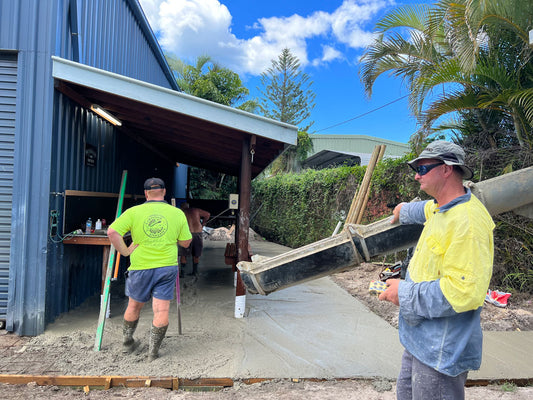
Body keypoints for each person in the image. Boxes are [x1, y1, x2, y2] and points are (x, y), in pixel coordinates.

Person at [379, 141, 494, 400]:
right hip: (422, 341)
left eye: (423, 168)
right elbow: (428, 210)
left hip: (441, 352)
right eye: (415, 169)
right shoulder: (444, 207)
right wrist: (404, 210)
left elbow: (463, 293)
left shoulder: (468, 223)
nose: (417, 175)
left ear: (446, 170)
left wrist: (404, 293)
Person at [107, 178, 192, 361]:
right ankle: (153, 352)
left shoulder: (134, 212)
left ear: (146, 193)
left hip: (140, 267)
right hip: (166, 267)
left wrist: (125, 251)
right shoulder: (177, 213)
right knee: (161, 311)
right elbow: (186, 242)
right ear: (164, 192)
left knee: (133, 305)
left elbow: (112, 232)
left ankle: (127, 343)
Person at [178, 202, 210, 276]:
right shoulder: (196, 210)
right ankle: (195, 272)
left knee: (183, 254)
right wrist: (203, 223)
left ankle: (182, 273)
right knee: (196, 254)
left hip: (186, 234)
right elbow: (207, 214)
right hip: (197, 233)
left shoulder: (181, 212)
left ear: (182, 207)